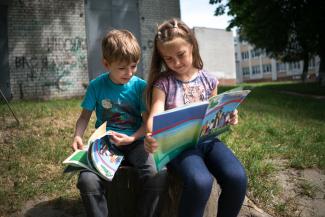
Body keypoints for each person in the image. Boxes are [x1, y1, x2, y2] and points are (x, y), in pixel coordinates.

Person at [144, 18, 247, 217]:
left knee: (237, 178)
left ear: (192, 45)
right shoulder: (163, 83)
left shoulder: (209, 79)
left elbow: (216, 112)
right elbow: (154, 114)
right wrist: (151, 133)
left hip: (208, 141)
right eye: (168, 59)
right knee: (201, 182)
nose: (176, 63)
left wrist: (229, 115)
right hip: (178, 147)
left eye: (180, 55)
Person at [71, 29, 166, 217]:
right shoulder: (96, 86)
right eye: (122, 68)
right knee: (87, 181)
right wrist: (78, 135)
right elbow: (84, 117)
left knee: (158, 174)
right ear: (106, 64)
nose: (129, 73)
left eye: (133, 66)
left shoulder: (140, 86)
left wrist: (132, 138)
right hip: (105, 144)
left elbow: (147, 122)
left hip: (136, 141)